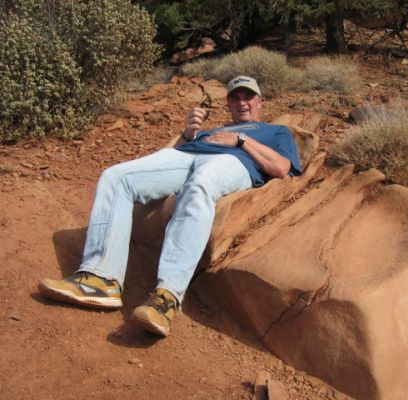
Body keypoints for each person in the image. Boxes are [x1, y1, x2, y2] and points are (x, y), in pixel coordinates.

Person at [38, 76, 302, 337]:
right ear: (229, 105)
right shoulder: (216, 130)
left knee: (200, 184)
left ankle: (167, 297)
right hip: (189, 154)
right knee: (116, 177)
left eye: (248, 97)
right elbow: (176, 152)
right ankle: (100, 279)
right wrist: (188, 133)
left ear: (260, 102)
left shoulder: (275, 131)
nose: (241, 102)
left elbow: (280, 168)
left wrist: (240, 141)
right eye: (235, 98)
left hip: (234, 161)